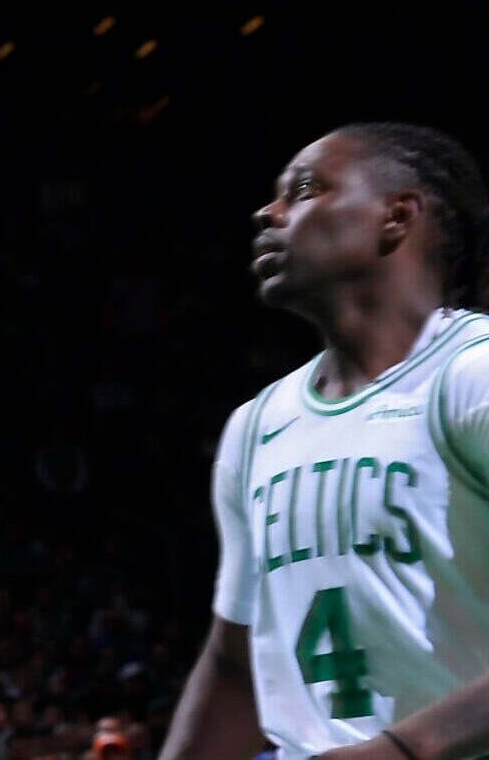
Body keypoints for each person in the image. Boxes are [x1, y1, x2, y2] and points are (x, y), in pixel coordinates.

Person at [160, 124, 489, 760]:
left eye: (305, 189)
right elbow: (236, 668)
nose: (268, 212)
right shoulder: (256, 426)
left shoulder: (471, 375)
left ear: (397, 216)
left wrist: (402, 750)